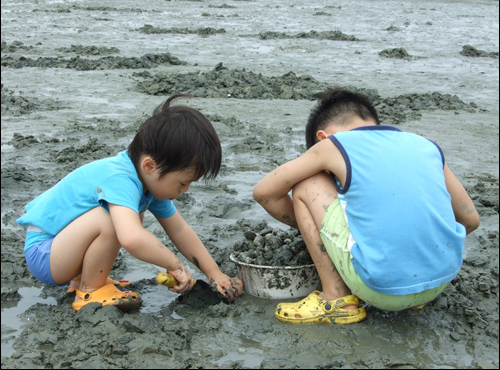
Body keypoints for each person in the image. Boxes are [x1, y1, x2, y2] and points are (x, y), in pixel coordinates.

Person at [253, 88, 480, 324]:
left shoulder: (334, 144)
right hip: (438, 283)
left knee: (306, 184)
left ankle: (336, 299)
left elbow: (264, 193)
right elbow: (470, 220)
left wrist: (308, 225)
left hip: (382, 290)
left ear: (322, 137)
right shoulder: (426, 146)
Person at [17, 94, 243, 311]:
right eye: (182, 183)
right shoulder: (120, 178)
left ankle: (85, 280)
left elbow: (180, 229)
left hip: (64, 249)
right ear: (149, 166)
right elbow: (131, 238)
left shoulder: (149, 184)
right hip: (44, 253)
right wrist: (174, 264)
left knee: (126, 216)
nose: (185, 191)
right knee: (112, 220)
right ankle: (90, 291)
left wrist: (214, 272)